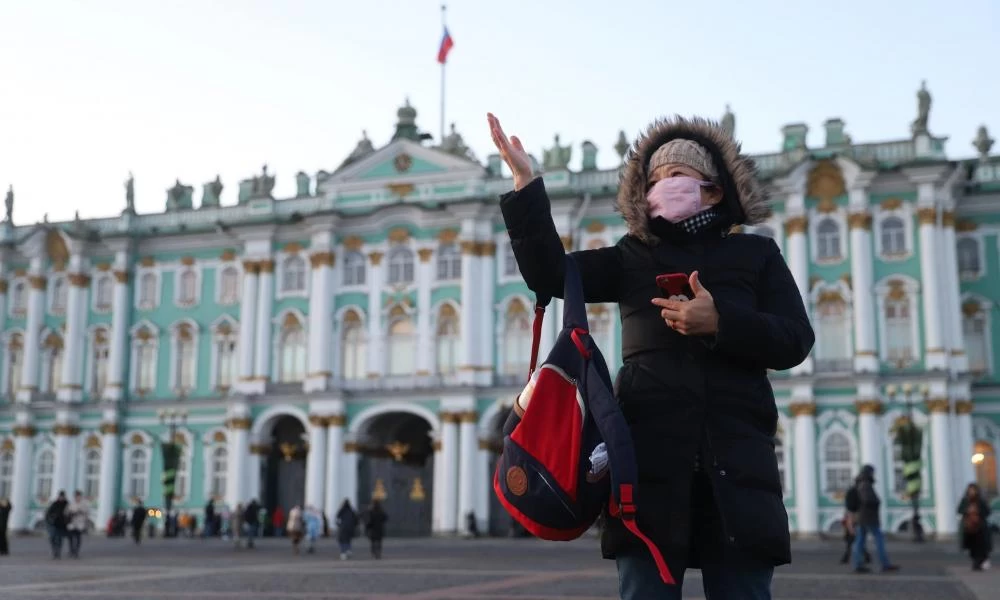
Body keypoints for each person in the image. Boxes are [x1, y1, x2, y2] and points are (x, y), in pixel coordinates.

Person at [487, 112, 815, 599]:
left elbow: (795, 339)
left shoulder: (756, 256)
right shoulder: (631, 257)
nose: (664, 186)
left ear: (714, 190)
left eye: (677, 176)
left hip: (739, 474)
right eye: (655, 179)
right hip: (647, 473)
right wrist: (525, 187)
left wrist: (721, 323)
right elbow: (551, 274)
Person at [851, 465, 900, 574]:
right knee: (878, 540)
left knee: (860, 541)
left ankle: (858, 564)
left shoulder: (861, 483)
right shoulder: (865, 485)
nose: (874, 474)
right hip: (869, 518)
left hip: (863, 517)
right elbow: (868, 500)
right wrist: (877, 502)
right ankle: (885, 564)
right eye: (872, 472)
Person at [958, 483, 992, 570]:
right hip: (969, 528)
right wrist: (967, 511)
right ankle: (976, 562)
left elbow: (987, 512)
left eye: (974, 490)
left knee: (980, 546)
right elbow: (959, 510)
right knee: (971, 547)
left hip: (980, 528)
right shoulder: (965, 500)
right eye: (971, 490)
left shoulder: (980, 501)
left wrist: (978, 513)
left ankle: (978, 563)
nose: (972, 492)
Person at [66, 490, 90, 559]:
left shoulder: (84, 503)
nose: (77, 498)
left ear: (81, 496)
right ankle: (71, 550)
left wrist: (80, 512)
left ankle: (76, 551)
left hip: (80, 523)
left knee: (78, 537)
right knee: (70, 537)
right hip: (72, 523)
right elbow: (67, 512)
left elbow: (87, 513)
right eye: (76, 496)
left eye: (79, 496)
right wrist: (71, 513)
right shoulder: (71, 503)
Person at [45, 491, 69, 558]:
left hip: (62, 525)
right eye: (60, 496)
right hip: (54, 524)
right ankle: (54, 550)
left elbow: (69, 514)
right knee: (52, 538)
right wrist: (49, 520)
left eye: (62, 496)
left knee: (59, 539)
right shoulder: (55, 503)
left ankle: (58, 552)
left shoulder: (67, 504)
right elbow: (48, 512)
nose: (61, 498)